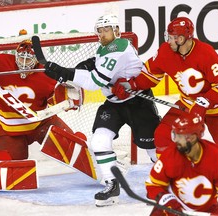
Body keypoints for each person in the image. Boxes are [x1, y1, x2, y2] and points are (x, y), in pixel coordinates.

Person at [42, 14, 161, 206]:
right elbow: (97, 64)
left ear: (116, 31)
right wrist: (85, 65)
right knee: (99, 140)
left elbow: (93, 81)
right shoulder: (105, 48)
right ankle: (111, 184)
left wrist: (64, 72)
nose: (103, 34)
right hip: (114, 103)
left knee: (152, 147)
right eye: (100, 31)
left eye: (107, 30)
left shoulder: (119, 48)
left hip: (138, 102)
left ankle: (169, 183)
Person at [112, 16, 218, 158]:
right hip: (187, 105)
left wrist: (203, 104)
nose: (168, 40)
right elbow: (150, 74)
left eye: (171, 37)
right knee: (162, 136)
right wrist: (132, 85)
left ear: (180, 39)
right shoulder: (165, 51)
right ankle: (172, 175)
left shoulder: (206, 53)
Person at [0, 38, 83, 162]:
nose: (23, 62)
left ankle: (75, 147)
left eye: (28, 59)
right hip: (5, 127)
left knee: (72, 147)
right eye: (21, 57)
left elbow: (60, 98)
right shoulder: (1, 62)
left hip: (40, 123)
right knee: (12, 162)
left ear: (38, 60)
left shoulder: (48, 75)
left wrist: (70, 98)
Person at [145, 113, 218, 215]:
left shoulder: (217, 157)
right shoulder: (170, 156)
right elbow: (153, 185)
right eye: (174, 135)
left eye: (179, 136)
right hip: (174, 209)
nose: (176, 140)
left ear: (193, 138)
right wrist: (167, 199)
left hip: (208, 212)